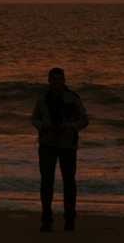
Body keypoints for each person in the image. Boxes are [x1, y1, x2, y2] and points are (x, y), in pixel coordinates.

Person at [31, 67, 89, 232]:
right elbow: (34, 118)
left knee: (69, 183)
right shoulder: (42, 98)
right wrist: (43, 126)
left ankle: (69, 220)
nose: (56, 81)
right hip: (47, 144)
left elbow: (84, 121)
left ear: (64, 80)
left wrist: (67, 127)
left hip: (67, 146)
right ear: (48, 81)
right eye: (53, 79)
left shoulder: (73, 98)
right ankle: (47, 221)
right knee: (46, 182)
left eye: (59, 79)